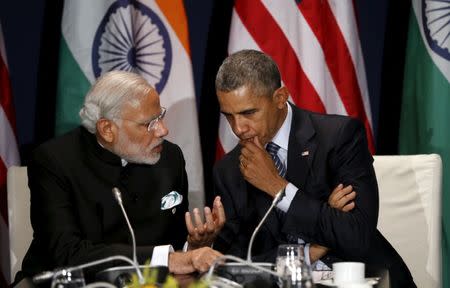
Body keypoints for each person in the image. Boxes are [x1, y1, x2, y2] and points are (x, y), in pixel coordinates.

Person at [188, 50, 415, 287]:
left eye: (248, 113)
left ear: (279, 97)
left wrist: (277, 187)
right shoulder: (229, 170)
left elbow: (357, 236)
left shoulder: (338, 137)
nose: (239, 128)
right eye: (229, 117)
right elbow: (235, 268)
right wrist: (313, 249)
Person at [15, 71, 222, 284]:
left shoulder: (170, 157)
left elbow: (176, 242)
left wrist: (193, 247)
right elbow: (67, 254)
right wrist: (166, 260)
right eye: (148, 124)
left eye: (160, 116)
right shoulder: (54, 161)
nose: (163, 130)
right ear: (107, 129)